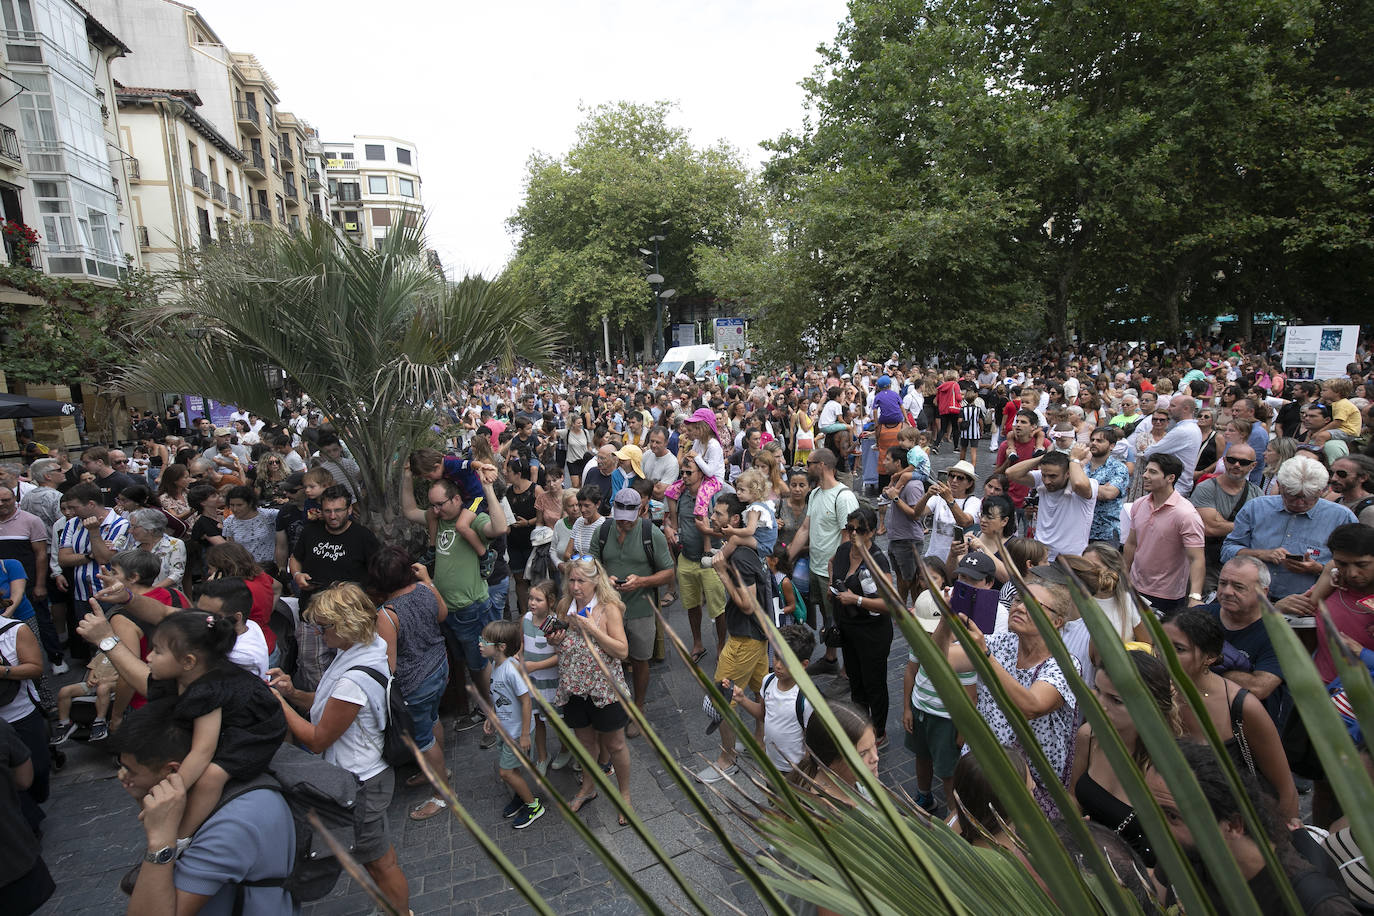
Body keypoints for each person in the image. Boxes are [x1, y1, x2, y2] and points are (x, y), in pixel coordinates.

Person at [268, 583, 410, 913]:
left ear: (347, 624)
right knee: (381, 859)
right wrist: (291, 693)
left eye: (325, 626)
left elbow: (318, 738)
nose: (319, 632)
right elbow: (326, 704)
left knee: (380, 864)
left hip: (360, 781)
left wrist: (278, 705)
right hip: (365, 774)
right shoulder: (364, 649)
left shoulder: (352, 680)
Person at [111, 701, 296, 915]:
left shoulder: (232, 824)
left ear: (172, 771)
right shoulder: (224, 779)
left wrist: (160, 842)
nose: (124, 777)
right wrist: (141, 795)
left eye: (131, 771)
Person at [1145, 742, 1357, 915]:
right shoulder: (1185, 852)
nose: (1155, 827)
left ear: (1234, 825)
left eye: (1172, 816)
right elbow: (1157, 895)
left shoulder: (1314, 904)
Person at [944, 582, 1079, 816]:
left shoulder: (1065, 665)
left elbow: (1031, 706)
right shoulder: (1002, 643)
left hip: (1024, 782)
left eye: (1032, 605)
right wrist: (946, 621)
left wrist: (985, 657)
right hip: (980, 765)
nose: (1019, 607)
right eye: (1017, 600)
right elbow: (941, 658)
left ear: (1057, 621)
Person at [1162, 609, 1298, 821]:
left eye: (1179, 649)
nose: (1164, 655)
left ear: (1210, 657)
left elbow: (1285, 790)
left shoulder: (1242, 706)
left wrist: (1281, 844)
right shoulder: (1152, 694)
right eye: (1160, 644)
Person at [366, 545, 453, 821]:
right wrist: (426, 580)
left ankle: (441, 795)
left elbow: (388, 664)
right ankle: (438, 768)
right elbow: (442, 615)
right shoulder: (425, 590)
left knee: (423, 739)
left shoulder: (387, 615)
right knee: (432, 718)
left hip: (415, 683)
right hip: (439, 668)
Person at [1071, 650, 1180, 865]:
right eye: (1097, 690)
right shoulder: (1089, 736)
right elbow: (1072, 795)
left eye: (1116, 700)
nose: (1100, 704)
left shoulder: (1170, 770)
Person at [697, 493, 774, 784]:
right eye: (713, 513)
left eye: (718, 514)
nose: (712, 518)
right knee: (760, 691)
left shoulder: (740, 556)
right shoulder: (738, 547)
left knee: (721, 698)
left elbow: (747, 604)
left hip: (745, 640)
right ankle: (760, 742)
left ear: (735, 520)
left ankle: (727, 759)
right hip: (755, 637)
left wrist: (722, 573)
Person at [549, 557, 632, 824]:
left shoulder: (609, 609)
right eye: (571, 580)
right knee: (585, 744)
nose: (575, 587)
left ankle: (625, 796)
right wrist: (555, 641)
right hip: (574, 687)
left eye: (581, 581)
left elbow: (622, 650)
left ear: (595, 581)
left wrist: (592, 630)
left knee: (616, 744)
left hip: (604, 690)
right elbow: (560, 648)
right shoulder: (564, 607)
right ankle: (588, 787)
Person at [589, 487, 673, 732]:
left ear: (642, 511)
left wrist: (643, 581)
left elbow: (668, 572)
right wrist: (605, 578)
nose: (623, 524)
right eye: (620, 519)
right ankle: (611, 704)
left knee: (640, 659)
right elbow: (590, 565)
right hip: (607, 608)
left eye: (629, 520)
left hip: (640, 609)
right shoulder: (603, 530)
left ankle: (638, 708)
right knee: (606, 657)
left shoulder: (651, 533)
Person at [1222, 458, 1357, 600]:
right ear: (1279, 486)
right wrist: (1261, 554)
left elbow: (1356, 570)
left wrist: (1319, 569)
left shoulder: (1341, 518)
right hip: (1252, 601)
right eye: (1291, 496)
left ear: (1322, 490)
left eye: (1308, 498)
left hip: (1307, 606)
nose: (1299, 503)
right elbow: (1227, 551)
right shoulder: (1256, 508)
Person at [787, 447, 860, 675]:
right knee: (829, 617)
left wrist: (834, 577)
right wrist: (785, 558)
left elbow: (847, 540)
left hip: (834, 575)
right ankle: (830, 660)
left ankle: (848, 671)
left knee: (843, 621)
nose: (805, 468)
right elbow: (805, 529)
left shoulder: (844, 497)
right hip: (816, 569)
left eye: (808, 464)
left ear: (822, 466)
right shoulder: (816, 494)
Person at [831, 505, 895, 749]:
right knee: (855, 682)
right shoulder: (843, 550)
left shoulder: (878, 560)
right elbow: (834, 568)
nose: (854, 534)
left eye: (860, 530)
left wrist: (855, 599)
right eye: (850, 528)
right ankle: (860, 726)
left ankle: (878, 731)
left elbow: (889, 603)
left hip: (872, 632)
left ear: (872, 533)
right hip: (849, 628)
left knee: (874, 684)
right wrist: (833, 586)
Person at [479, 618, 545, 829]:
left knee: (505, 772)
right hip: (506, 730)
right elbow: (500, 696)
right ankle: (521, 796)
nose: (479, 643)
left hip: (517, 733)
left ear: (501, 647)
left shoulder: (510, 670)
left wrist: (525, 734)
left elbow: (526, 701)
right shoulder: (495, 664)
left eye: (484, 641)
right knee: (512, 770)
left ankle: (533, 805)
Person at [1123, 453, 1206, 613]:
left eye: (1153, 472)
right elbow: (1131, 544)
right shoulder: (1139, 505)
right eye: (1146, 470)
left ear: (1170, 478)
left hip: (1167, 596)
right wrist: (1124, 576)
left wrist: (1195, 596)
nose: (1145, 475)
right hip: (1134, 587)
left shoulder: (1186, 514)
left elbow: (1196, 558)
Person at [732, 624, 815, 778]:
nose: (777, 665)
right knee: (773, 801)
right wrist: (742, 699)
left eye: (785, 661)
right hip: (771, 764)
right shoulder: (768, 681)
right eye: (776, 656)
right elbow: (763, 715)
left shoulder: (806, 699)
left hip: (795, 771)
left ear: (803, 665)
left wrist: (805, 773)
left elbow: (812, 743)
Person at [665, 460, 728, 662]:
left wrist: (707, 531)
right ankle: (698, 644)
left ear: (701, 473)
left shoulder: (715, 495)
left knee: (718, 608)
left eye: (688, 472)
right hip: (687, 558)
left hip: (711, 559)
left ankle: (721, 645)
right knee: (691, 605)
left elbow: (726, 527)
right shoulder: (680, 495)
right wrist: (668, 527)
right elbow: (671, 520)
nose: (683, 476)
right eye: (682, 472)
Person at [1005, 448, 1098, 560]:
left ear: (1068, 473)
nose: (1047, 481)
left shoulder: (1090, 484)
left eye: (1053, 476)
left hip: (1071, 559)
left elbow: (1078, 483)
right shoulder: (1043, 478)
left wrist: (1074, 460)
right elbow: (1010, 473)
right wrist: (1043, 458)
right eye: (1044, 475)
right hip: (1040, 555)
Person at [522, 580, 565, 773]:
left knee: (558, 720)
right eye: (531, 598)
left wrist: (535, 665)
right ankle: (542, 755)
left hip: (552, 682)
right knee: (537, 719)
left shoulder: (555, 624)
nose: (532, 602)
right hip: (533, 682)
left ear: (551, 602)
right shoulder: (525, 619)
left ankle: (566, 750)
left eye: (538, 599)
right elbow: (521, 645)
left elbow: (559, 655)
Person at [1141, 392, 1204, 495]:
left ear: (1186, 409)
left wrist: (1147, 448)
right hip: (1178, 485)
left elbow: (1149, 453)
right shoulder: (1192, 428)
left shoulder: (1183, 430)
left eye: (1173, 406)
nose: (1169, 408)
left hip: (1175, 487)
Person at [52, 649, 119, 744]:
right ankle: (65, 722)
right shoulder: (101, 653)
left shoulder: (123, 654)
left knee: (102, 689)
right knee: (64, 691)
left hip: (112, 684)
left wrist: (105, 679)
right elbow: (93, 667)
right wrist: (90, 679)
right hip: (94, 683)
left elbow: (124, 674)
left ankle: (100, 721)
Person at [1084, 427, 1130, 545]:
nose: (1094, 443)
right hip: (1080, 530)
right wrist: (1099, 488)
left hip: (1105, 532)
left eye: (1100, 441)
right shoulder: (1081, 465)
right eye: (1092, 439)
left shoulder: (1119, 468)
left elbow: (1108, 494)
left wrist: (1079, 485)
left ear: (1112, 446)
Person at [1328, 454, 1374, 526]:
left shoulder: (1369, 511)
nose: (1334, 478)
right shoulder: (1339, 501)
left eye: (1342, 474)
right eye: (1331, 473)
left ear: (1362, 478)